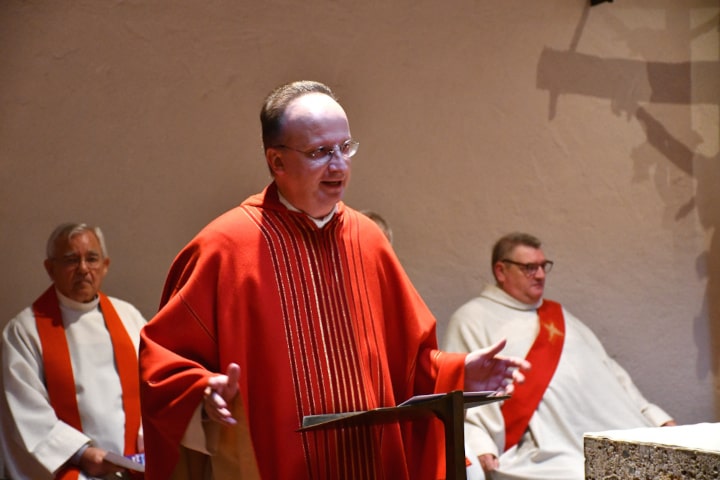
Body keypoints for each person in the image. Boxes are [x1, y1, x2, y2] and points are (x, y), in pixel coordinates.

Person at [138, 80, 530, 480]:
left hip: (371, 465)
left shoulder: (368, 239)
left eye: (345, 147)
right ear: (276, 161)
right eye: (320, 152)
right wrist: (201, 393)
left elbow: (407, 366)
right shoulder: (225, 248)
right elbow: (163, 366)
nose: (339, 165)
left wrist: (462, 371)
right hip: (276, 464)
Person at [443, 232, 676, 480]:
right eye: (529, 268)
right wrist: (479, 442)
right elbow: (462, 391)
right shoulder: (472, 318)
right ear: (501, 271)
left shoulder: (557, 314)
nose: (541, 275)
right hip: (550, 449)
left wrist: (654, 417)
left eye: (543, 266)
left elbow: (610, 370)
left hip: (618, 429)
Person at [0, 223, 147, 479]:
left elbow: (153, 387)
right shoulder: (24, 331)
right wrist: (81, 453)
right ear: (50, 268)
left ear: (105, 265)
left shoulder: (129, 317)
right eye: (71, 260)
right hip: (73, 469)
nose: (83, 269)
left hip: (133, 467)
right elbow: (24, 411)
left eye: (92, 259)